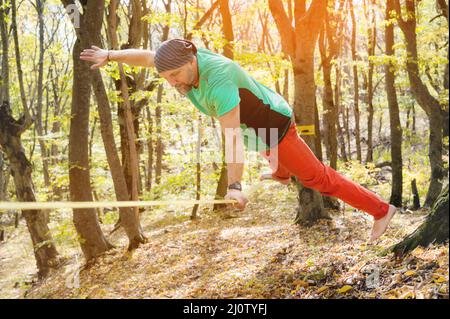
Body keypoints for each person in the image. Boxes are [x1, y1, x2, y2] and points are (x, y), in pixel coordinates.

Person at [80, 39, 397, 242]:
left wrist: (234, 186)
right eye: (167, 77)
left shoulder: (219, 80)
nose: (172, 82)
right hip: (256, 128)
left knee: (317, 177)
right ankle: (281, 173)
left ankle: (381, 210)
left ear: (192, 62)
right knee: (271, 157)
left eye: (176, 74)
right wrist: (110, 55)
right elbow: (150, 57)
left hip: (274, 124)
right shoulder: (178, 57)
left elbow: (231, 138)